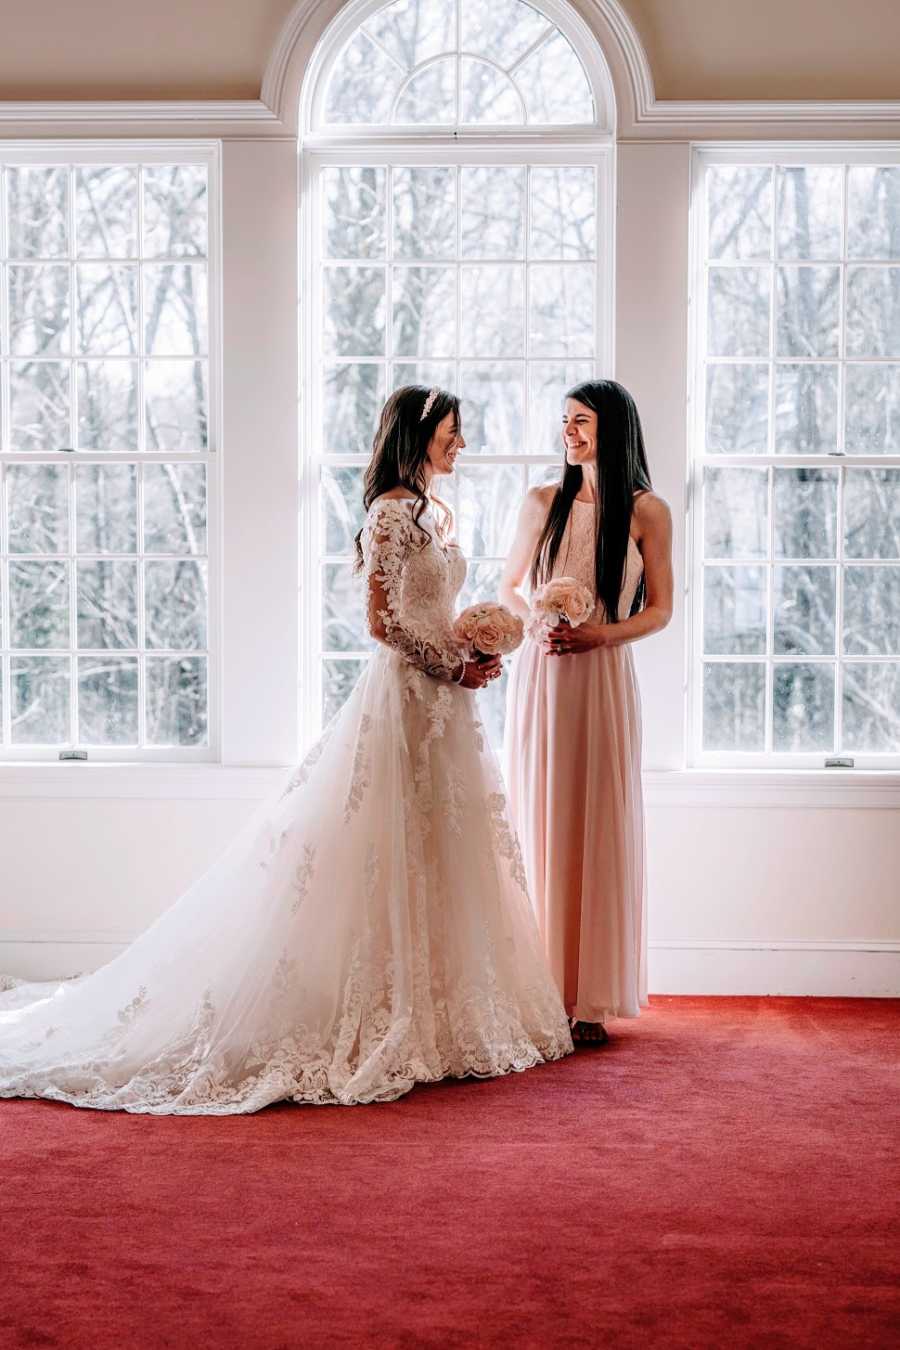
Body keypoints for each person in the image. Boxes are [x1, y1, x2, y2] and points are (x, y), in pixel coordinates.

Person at [0, 386, 572, 1114]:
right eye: (453, 435)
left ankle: (442, 1012)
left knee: (443, 849)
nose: (462, 446)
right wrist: (447, 662)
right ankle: (382, 1013)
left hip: (446, 705)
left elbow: (428, 607)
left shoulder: (437, 512)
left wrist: (470, 644)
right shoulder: (392, 510)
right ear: (419, 436)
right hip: (403, 699)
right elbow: (380, 620)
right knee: (381, 851)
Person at [500, 380, 673, 1045]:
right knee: (541, 816)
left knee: (597, 820)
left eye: (581, 423)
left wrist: (598, 634)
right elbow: (508, 586)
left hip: (601, 674)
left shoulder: (646, 512)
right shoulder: (542, 502)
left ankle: (590, 1000)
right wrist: (537, 623)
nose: (568, 434)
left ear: (614, 430)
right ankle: (537, 987)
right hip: (544, 676)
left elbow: (660, 610)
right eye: (564, 422)